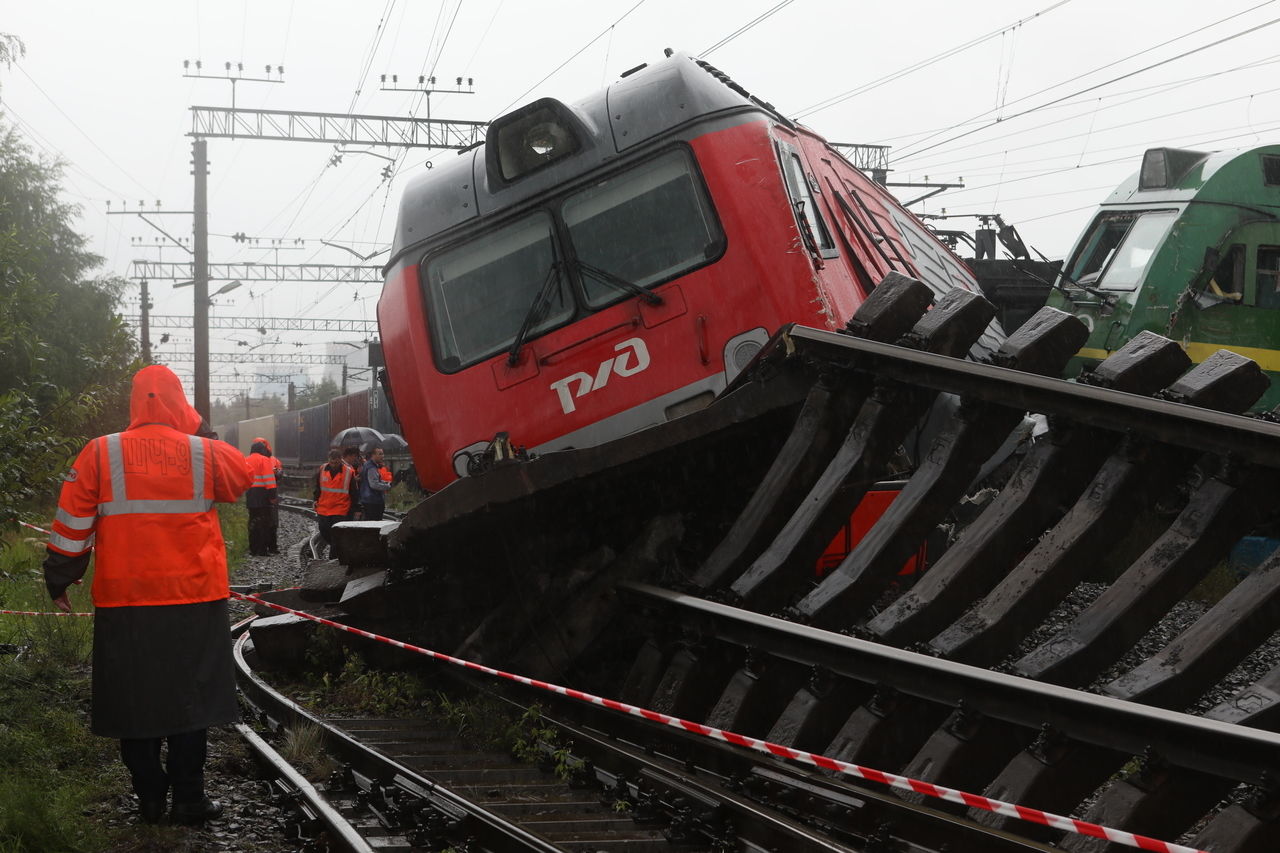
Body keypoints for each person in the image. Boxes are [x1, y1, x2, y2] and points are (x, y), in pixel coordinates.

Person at [42, 364, 251, 825]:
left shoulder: (100, 452)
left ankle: (150, 797)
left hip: (126, 600)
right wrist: (201, 429)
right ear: (180, 403)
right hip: (194, 597)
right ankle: (190, 799)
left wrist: (60, 576)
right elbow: (241, 478)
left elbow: (73, 522)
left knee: (133, 699)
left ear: (132, 402)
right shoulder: (205, 452)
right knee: (191, 697)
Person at [313, 448, 354, 545]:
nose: (333, 465)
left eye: (336, 462)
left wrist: (356, 508)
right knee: (323, 530)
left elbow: (353, 491)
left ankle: (334, 554)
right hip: (324, 507)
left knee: (336, 533)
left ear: (340, 460)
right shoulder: (322, 469)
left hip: (340, 508)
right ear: (328, 460)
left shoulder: (348, 472)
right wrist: (315, 499)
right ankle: (334, 547)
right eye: (331, 462)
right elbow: (318, 486)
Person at [245, 439, 278, 556]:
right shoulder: (264, 460)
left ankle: (253, 549)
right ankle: (262, 550)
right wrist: (272, 495)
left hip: (250, 494)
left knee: (253, 522)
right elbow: (269, 479)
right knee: (264, 523)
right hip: (262, 495)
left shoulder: (246, 460)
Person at [358, 445, 393, 521]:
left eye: (382, 454)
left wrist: (385, 482)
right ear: (373, 455)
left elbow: (373, 480)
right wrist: (387, 486)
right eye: (380, 454)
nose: (382, 456)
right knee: (374, 523)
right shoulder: (371, 467)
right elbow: (374, 484)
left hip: (368, 499)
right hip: (373, 500)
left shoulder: (368, 465)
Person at [341, 445, 363, 520]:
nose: (356, 459)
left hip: (350, 499)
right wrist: (354, 480)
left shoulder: (350, 466)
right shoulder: (342, 466)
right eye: (355, 456)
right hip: (345, 500)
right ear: (349, 456)